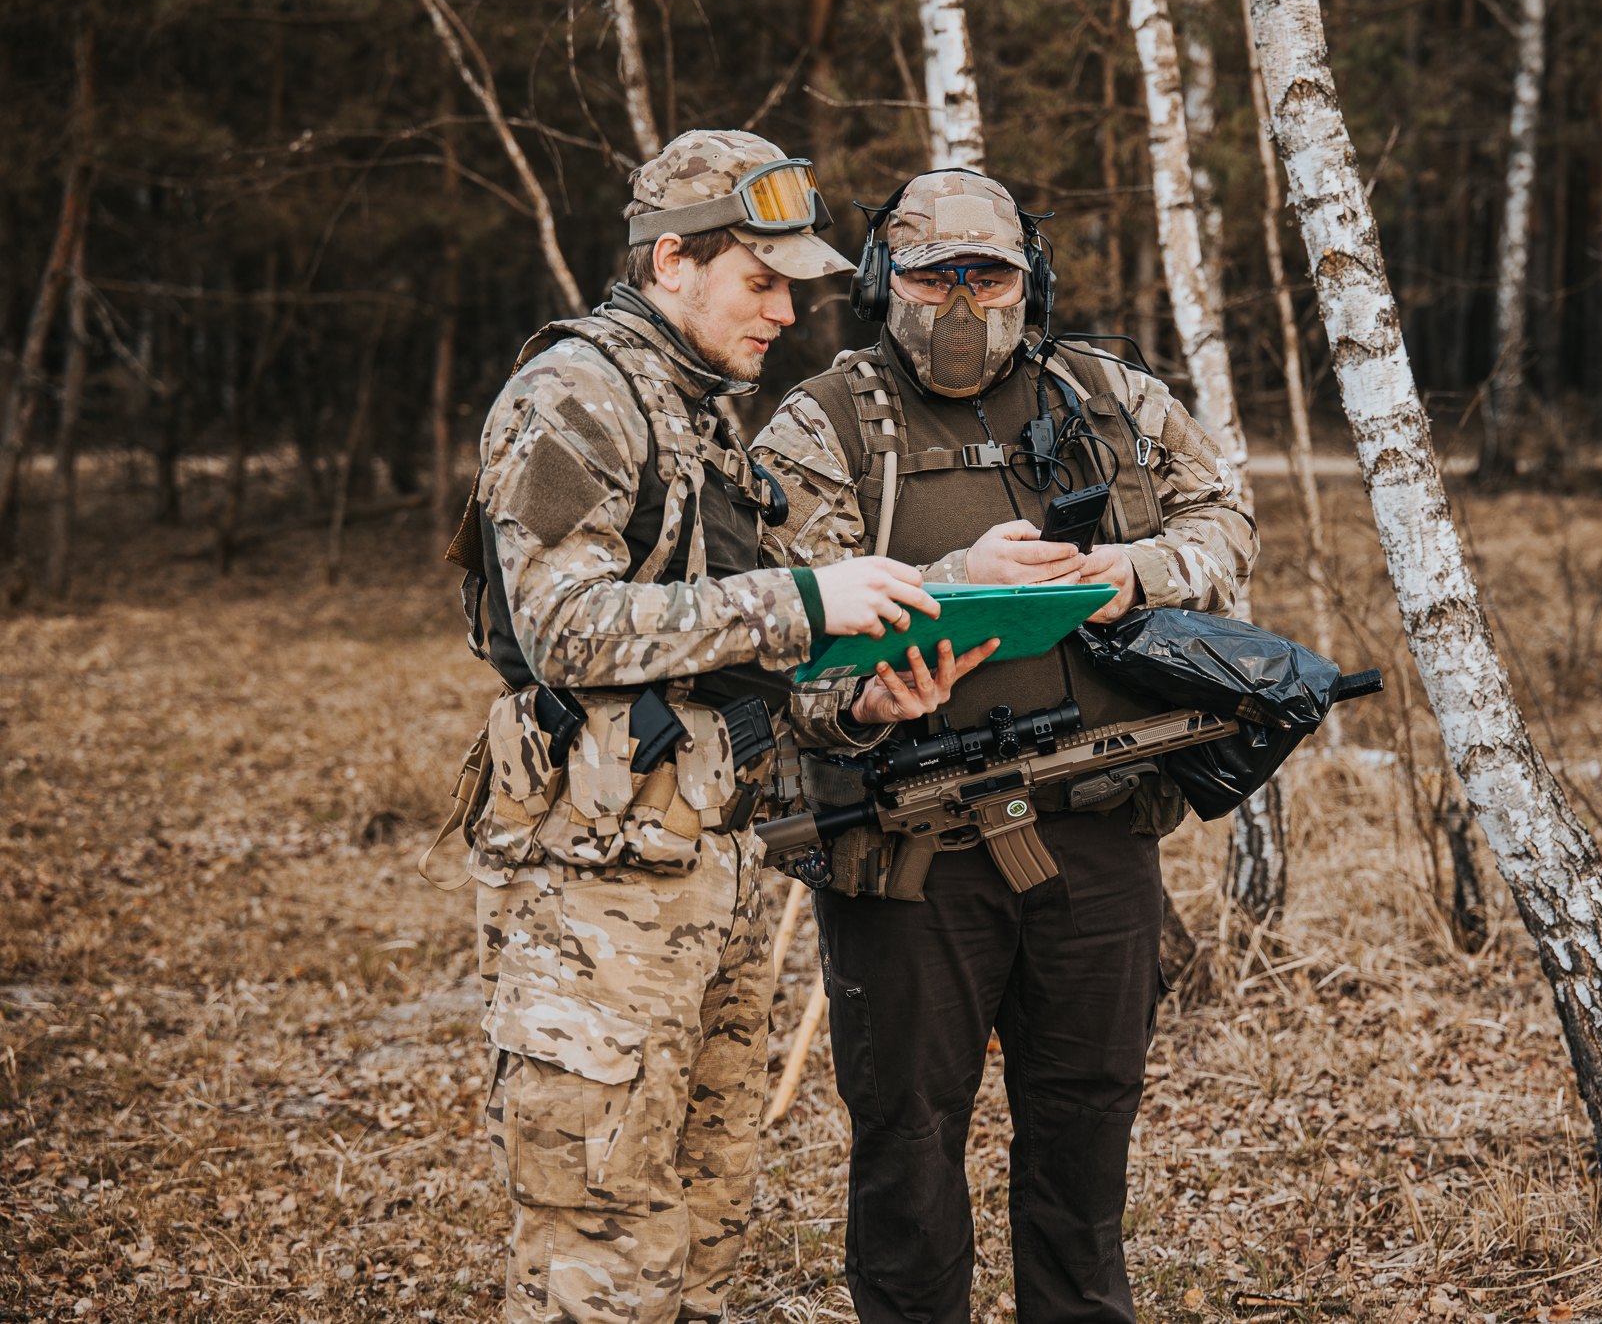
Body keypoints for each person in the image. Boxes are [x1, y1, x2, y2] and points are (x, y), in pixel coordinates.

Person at [444, 131, 990, 1324]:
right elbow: (561, 629)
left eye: (796, 283)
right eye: (761, 279)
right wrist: (803, 597)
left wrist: (854, 704)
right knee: (602, 1233)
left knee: (703, 1218)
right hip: (596, 895)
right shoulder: (573, 393)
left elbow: (727, 667)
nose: (789, 310)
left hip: (714, 871)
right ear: (672, 260)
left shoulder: (698, 412)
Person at [751, 169, 1257, 1324]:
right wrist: (899, 654)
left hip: (1099, 830)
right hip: (906, 850)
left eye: (990, 275)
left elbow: (1226, 519)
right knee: (906, 1142)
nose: (964, 303)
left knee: (1086, 1122)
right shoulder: (821, 424)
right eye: (935, 277)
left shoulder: (1110, 396)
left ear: (1030, 282)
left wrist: (1136, 570)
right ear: (885, 283)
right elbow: (782, 624)